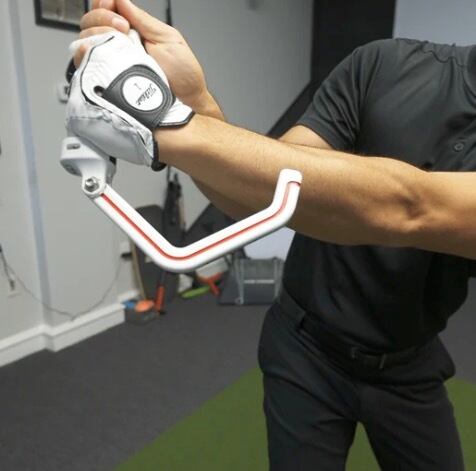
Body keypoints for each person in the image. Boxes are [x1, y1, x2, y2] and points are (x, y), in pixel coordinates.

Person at [72, 1, 476, 469]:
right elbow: (263, 196)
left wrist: (157, 119)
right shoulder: (384, 65)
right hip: (305, 347)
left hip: (409, 365)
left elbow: (413, 208)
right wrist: (194, 103)